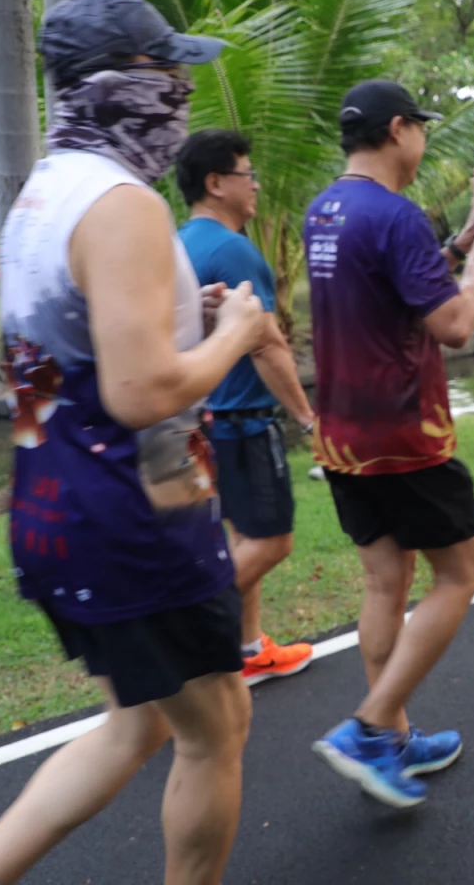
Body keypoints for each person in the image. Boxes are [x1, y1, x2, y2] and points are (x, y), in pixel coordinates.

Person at [0, 0, 267, 885]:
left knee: (138, 723)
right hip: (137, 515)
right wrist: (238, 334)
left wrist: (186, 315)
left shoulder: (48, 192)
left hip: (57, 508)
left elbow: (83, 351)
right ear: (127, 81)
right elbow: (139, 393)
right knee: (218, 731)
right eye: (170, 70)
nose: (182, 91)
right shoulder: (123, 202)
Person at [304, 79, 474, 808]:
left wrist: (459, 239)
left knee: (383, 584)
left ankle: (392, 740)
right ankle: (369, 728)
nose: (424, 141)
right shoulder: (394, 216)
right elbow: (455, 326)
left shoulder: (325, 209)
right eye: (420, 127)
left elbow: (389, 284)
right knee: (460, 575)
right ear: (399, 130)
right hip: (405, 434)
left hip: (341, 436)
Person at [177, 130, 317, 682]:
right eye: (246, 173)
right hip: (243, 420)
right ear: (216, 183)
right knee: (271, 540)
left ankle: (248, 648)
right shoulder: (232, 249)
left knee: (241, 537)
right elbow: (266, 344)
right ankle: (190, 635)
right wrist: (308, 418)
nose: (255, 183)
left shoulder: (179, 243)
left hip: (201, 423)